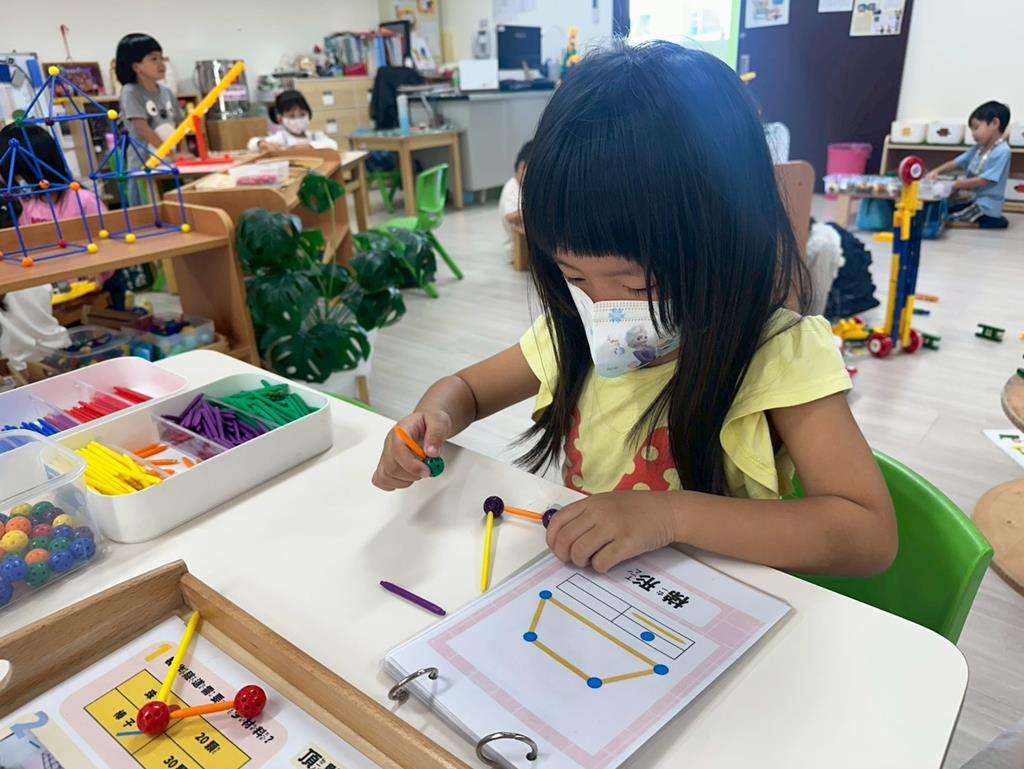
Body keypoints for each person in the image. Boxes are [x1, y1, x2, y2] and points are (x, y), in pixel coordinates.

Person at [372, 42, 897, 578]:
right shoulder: (572, 331)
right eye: (574, 276)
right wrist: (433, 419)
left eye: (637, 284)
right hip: (597, 590)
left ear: (727, 244)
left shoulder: (777, 354)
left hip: (710, 600)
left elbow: (868, 535)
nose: (603, 308)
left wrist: (669, 515)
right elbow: (467, 389)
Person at [927, 101, 1012, 229]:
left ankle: (988, 222)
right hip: (973, 200)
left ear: (995, 123)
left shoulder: (1002, 151)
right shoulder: (978, 148)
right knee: (944, 209)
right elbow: (956, 162)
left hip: (985, 206)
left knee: (945, 217)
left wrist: (952, 184)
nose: (973, 133)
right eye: (971, 129)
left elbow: (984, 181)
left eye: (976, 128)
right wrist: (936, 171)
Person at [115, 34, 186, 157]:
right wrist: (170, 154)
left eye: (161, 58)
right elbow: (143, 129)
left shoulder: (167, 92)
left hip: (170, 161)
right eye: (153, 59)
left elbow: (180, 125)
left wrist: (184, 152)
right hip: (144, 163)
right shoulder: (130, 92)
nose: (161, 63)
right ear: (136, 67)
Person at [247, 90, 338, 152]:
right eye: (291, 116)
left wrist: (308, 146)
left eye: (302, 114)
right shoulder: (281, 137)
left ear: (309, 114)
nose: (298, 119)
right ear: (281, 119)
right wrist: (262, 144)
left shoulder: (315, 136)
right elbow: (252, 143)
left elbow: (332, 144)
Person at [499, 141, 531, 260]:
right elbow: (510, 217)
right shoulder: (511, 188)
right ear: (522, 167)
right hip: (515, 248)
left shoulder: (524, 187)